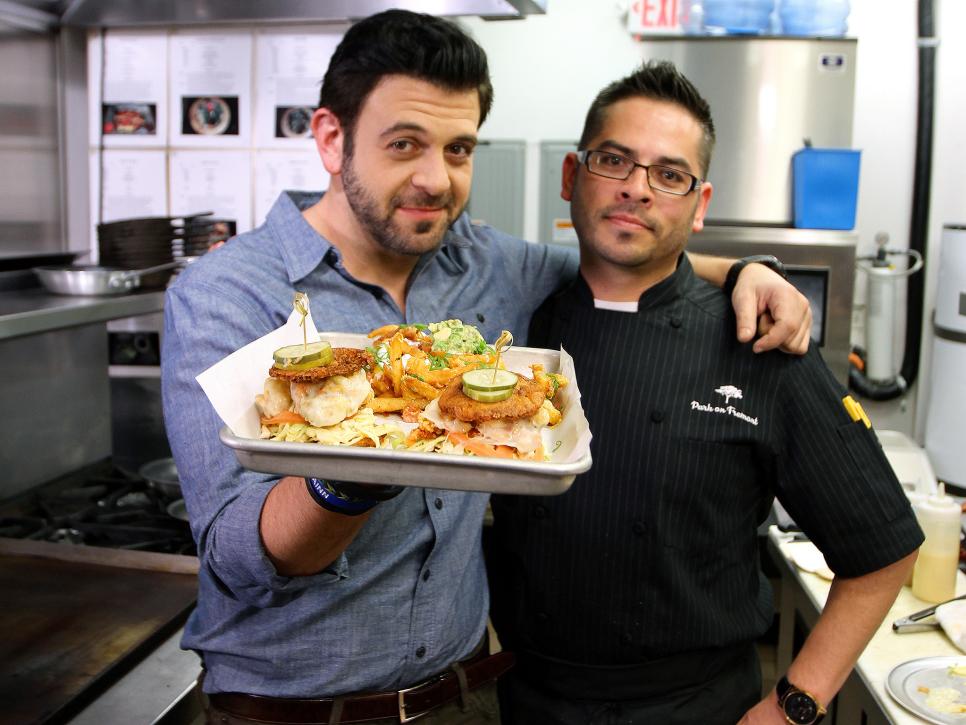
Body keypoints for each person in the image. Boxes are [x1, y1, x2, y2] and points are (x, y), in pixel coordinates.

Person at [161, 11, 811, 725]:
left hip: (467, 698)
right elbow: (233, 558)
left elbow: (620, 262)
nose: (437, 179)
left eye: (460, 148)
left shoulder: (484, 262)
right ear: (330, 138)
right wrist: (344, 471)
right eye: (405, 144)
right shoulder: (223, 294)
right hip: (290, 714)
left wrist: (746, 269)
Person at [487, 60, 923, 725]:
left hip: (700, 705)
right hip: (526, 701)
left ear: (700, 205)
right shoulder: (510, 330)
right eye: (614, 160)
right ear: (573, 176)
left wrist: (792, 706)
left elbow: (883, 549)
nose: (637, 189)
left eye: (669, 174)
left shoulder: (758, 339)